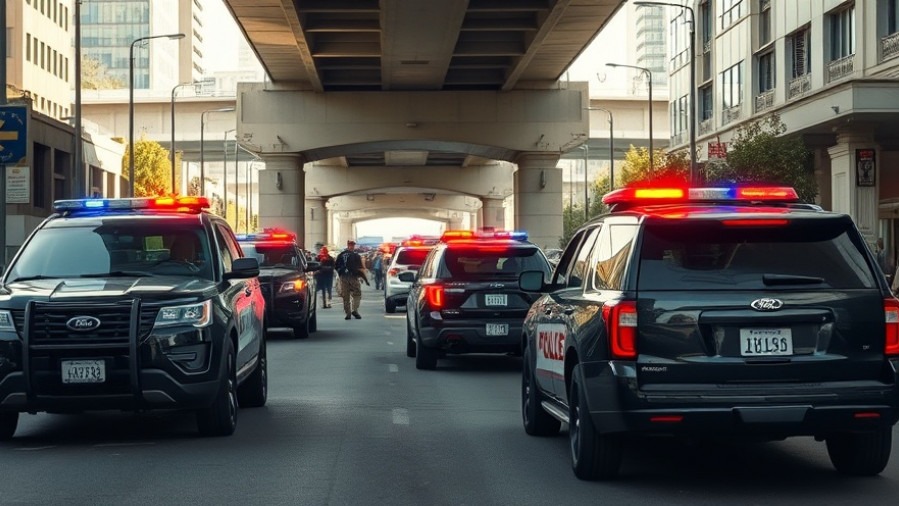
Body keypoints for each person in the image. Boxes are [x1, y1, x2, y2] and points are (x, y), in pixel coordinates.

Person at [335, 239, 365, 320]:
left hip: (343, 277)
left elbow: (336, 266)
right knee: (357, 293)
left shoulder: (341, 255)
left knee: (346, 295)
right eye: (352, 245)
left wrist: (340, 274)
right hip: (353, 277)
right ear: (351, 246)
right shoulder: (356, 255)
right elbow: (360, 267)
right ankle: (354, 310)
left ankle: (348, 313)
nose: (352, 246)